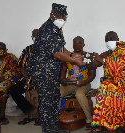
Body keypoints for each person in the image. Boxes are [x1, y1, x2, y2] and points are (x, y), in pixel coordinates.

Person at [26, 3, 86, 133]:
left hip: (51, 71)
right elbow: (57, 54)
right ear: (51, 15)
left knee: (54, 99)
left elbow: (61, 48)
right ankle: (48, 130)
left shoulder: (56, 29)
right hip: (43, 73)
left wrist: (72, 54)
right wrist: (74, 60)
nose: (62, 19)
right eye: (59, 16)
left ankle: (55, 127)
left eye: (64, 16)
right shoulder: (48, 29)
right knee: (47, 102)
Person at [59, 36, 96, 130]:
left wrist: (84, 82)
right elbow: (63, 70)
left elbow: (92, 74)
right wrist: (63, 79)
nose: (77, 44)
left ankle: (89, 119)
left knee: (79, 94)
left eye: (80, 42)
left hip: (84, 83)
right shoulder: (68, 56)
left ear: (83, 45)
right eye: (75, 42)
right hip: (70, 83)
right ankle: (57, 118)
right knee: (57, 93)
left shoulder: (88, 56)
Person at [9, 29, 41, 126]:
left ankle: (41, 115)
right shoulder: (27, 50)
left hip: (43, 78)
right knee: (13, 90)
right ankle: (29, 110)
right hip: (28, 77)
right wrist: (26, 77)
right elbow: (22, 66)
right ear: (32, 38)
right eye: (34, 36)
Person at [0, 42, 21, 125]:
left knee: (1, 88)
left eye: (3, 49)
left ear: (6, 50)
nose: (1, 51)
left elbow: (12, 73)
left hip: (9, 80)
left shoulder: (11, 58)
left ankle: (2, 115)